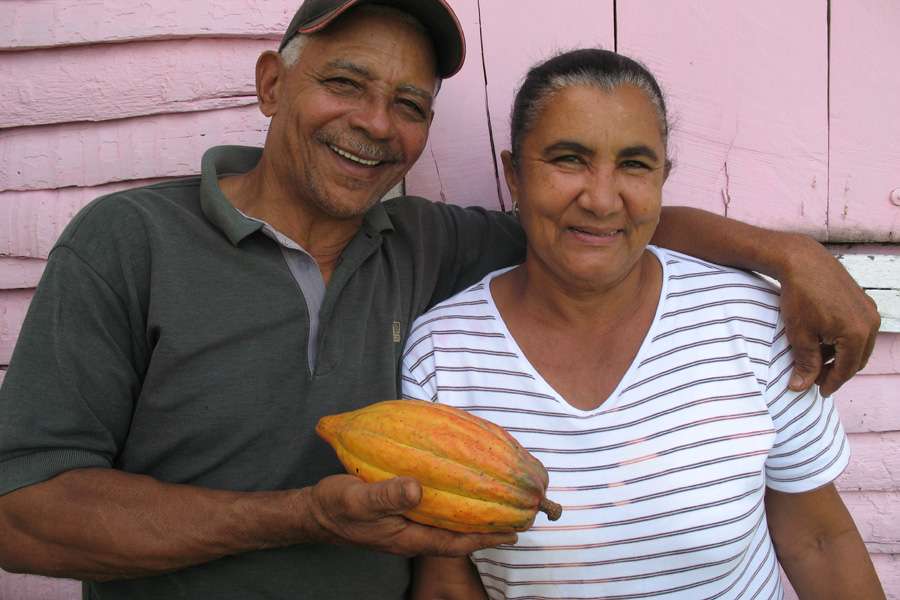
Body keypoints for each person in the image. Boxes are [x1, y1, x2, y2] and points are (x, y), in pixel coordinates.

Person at [0, 2, 879, 599]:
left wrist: (788, 253)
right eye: (345, 83)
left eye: (408, 103)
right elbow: (22, 515)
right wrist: (301, 518)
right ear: (273, 84)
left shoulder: (426, 243)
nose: (377, 122)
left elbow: (601, 224)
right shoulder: (128, 243)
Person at [402, 48, 884, 599]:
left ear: (663, 178)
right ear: (514, 174)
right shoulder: (443, 354)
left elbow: (818, 540)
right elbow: (446, 581)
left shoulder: (751, 321)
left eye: (634, 164)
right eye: (568, 159)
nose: (603, 200)